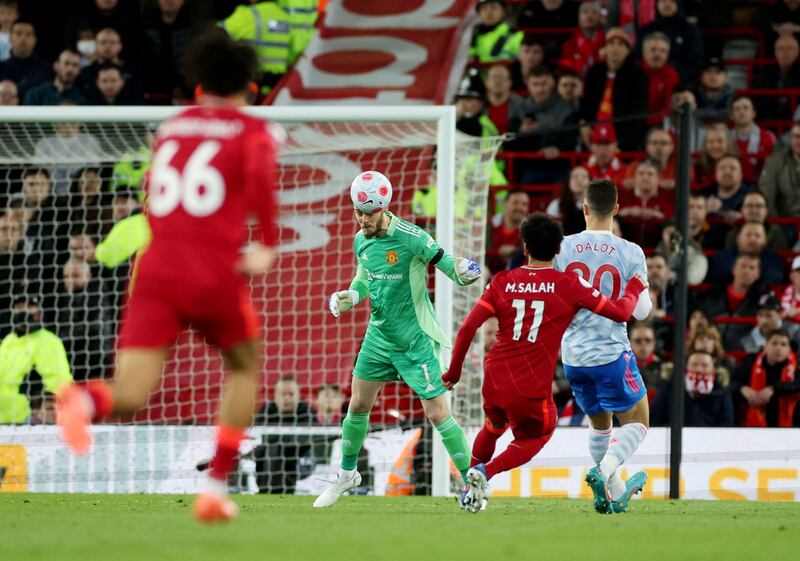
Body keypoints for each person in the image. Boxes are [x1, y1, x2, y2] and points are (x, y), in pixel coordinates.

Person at [55, 30, 281, 524]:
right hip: (213, 271)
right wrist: (265, 242)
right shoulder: (252, 130)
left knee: (130, 393)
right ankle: (216, 488)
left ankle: (84, 399)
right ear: (249, 83)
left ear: (199, 82)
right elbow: (262, 180)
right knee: (244, 367)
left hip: (155, 270)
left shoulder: (172, 128)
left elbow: (154, 193)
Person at [442, 213, 648, 512]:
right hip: (530, 385)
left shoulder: (502, 281)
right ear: (557, 250)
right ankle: (485, 473)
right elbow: (620, 312)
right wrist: (633, 289)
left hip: (495, 377)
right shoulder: (568, 284)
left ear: (524, 247)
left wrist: (453, 371)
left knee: (493, 425)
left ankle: (469, 487)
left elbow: (468, 328)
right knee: (538, 435)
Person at [313, 170, 482, 508]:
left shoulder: (411, 236)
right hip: (378, 337)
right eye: (358, 212)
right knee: (358, 404)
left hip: (414, 340)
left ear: (384, 208)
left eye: (369, 214)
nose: (363, 220)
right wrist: (350, 295)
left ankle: (472, 481)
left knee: (437, 413)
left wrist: (463, 272)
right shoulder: (360, 240)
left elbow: (447, 264)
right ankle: (347, 475)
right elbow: (365, 277)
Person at [554, 178, 653, 514]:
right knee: (639, 422)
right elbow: (642, 311)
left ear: (584, 209)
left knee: (601, 425)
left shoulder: (561, 248)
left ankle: (614, 493)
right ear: (616, 209)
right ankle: (605, 470)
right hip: (610, 351)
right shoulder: (631, 252)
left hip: (572, 357)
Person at [0, 295, 72, 423]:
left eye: (29, 306)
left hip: (29, 422)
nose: (23, 310)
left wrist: (45, 410)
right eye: (19, 306)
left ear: (39, 312)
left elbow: (59, 382)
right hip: (3, 422)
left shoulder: (48, 341)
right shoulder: (8, 341)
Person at [579, 27, 648, 151]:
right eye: (611, 43)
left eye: (621, 44)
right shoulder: (594, 72)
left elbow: (638, 113)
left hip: (623, 140)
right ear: (605, 48)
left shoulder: (638, 75)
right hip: (594, 136)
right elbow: (585, 103)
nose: (615, 48)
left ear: (628, 50)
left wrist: (622, 144)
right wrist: (584, 124)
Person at [253, 375, 316, 494]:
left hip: (301, 456)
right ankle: (273, 490)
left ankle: (270, 491)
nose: (286, 398)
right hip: (269, 455)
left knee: (279, 449)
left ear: (298, 396)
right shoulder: (266, 411)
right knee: (271, 449)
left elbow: (310, 441)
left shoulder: (307, 411)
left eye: (291, 394)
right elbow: (258, 437)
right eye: (282, 394)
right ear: (275, 396)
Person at [733, 329, 800, 427]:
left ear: (789, 348)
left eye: (783, 344)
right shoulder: (750, 361)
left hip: (792, 424)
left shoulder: (797, 364)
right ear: (765, 347)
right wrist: (743, 389)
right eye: (774, 343)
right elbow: (731, 383)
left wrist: (773, 389)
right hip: (755, 422)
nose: (778, 348)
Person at [650, 351, 734, 427]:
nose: (699, 369)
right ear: (686, 368)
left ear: (713, 369)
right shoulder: (669, 388)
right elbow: (656, 419)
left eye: (704, 365)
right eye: (694, 365)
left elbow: (727, 423)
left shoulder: (722, 392)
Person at [636, 0, 704, 85]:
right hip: (647, 84)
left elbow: (696, 64)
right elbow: (638, 60)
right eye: (663, 0)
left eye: (672, 0)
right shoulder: (646, 30)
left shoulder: (690, 30)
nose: (667, 3)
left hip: (681, 85)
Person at [730, 96, 776, 185]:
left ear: (754, 113)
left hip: (761, 184)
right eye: (737, 109)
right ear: (732, 115)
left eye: (745, 108)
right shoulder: (726, 138)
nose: (741, 111)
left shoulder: (768, 137)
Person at [0, 19, 51, 98]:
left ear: (35, 40)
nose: (23, 38)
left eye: (28, 34)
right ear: (10, 39)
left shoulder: (46, 69)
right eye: (18, 33)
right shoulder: (1, 68)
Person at [759, 122, 800, 218]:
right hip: (785, 223)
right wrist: (775, 226)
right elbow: (767, 195)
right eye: (795, 136)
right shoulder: (774, 162)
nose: (798, 141)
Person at [638, 32, 680, 126]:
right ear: (644, 52)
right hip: (635, 124)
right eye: (653, 50)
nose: (657, 54)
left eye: (662, 51)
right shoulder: (633, 71)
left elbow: (668, 106)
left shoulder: (672, 75)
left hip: (660, 126)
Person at [486, 188, 529, 274]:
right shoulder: (489, 226)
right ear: (505, 204)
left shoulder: (531, 231)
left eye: (524, 204)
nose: (519, 208)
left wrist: (516, 252)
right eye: (515, 203)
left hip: (517, 279)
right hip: (488, 276)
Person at [559, 1, 605, 78]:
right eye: (585, 12)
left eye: (594, 12)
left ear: (600, 17)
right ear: (579, 17)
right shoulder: (569, 44)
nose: (589, 16)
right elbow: (565, 69)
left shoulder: (606, 43)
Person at [546, 165, 589, 235]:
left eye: (584, 177)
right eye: (575, 177)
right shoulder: (557, 205)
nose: (579, 180)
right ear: (568, 182)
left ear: (590, 182)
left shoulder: (597, 206)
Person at [694, 57, 733, 123]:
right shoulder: (694, 93)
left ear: (725, 76)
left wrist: (702, 113)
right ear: (702, 75)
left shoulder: (732, 95)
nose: (713, 76)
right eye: (708, 71)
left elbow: (729, 114)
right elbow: (690, 114)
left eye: (717, 72)